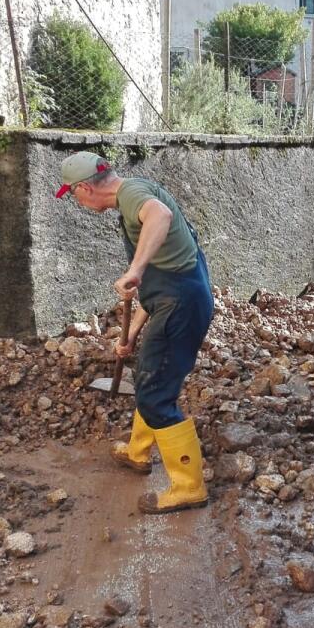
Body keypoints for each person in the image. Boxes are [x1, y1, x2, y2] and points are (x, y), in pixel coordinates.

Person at [57, 151, 215, 515]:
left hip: (182, 307)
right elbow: (158, 286)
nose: (77, 202)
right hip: (177, 301)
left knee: (156, 393)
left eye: (74, 195)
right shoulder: (137, 193)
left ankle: (189, 487)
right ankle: (138, 452)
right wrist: (131, 334)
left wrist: (135, 269)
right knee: (148, 374)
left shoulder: (132, 196)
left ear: (84, 188)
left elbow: (161, 216)